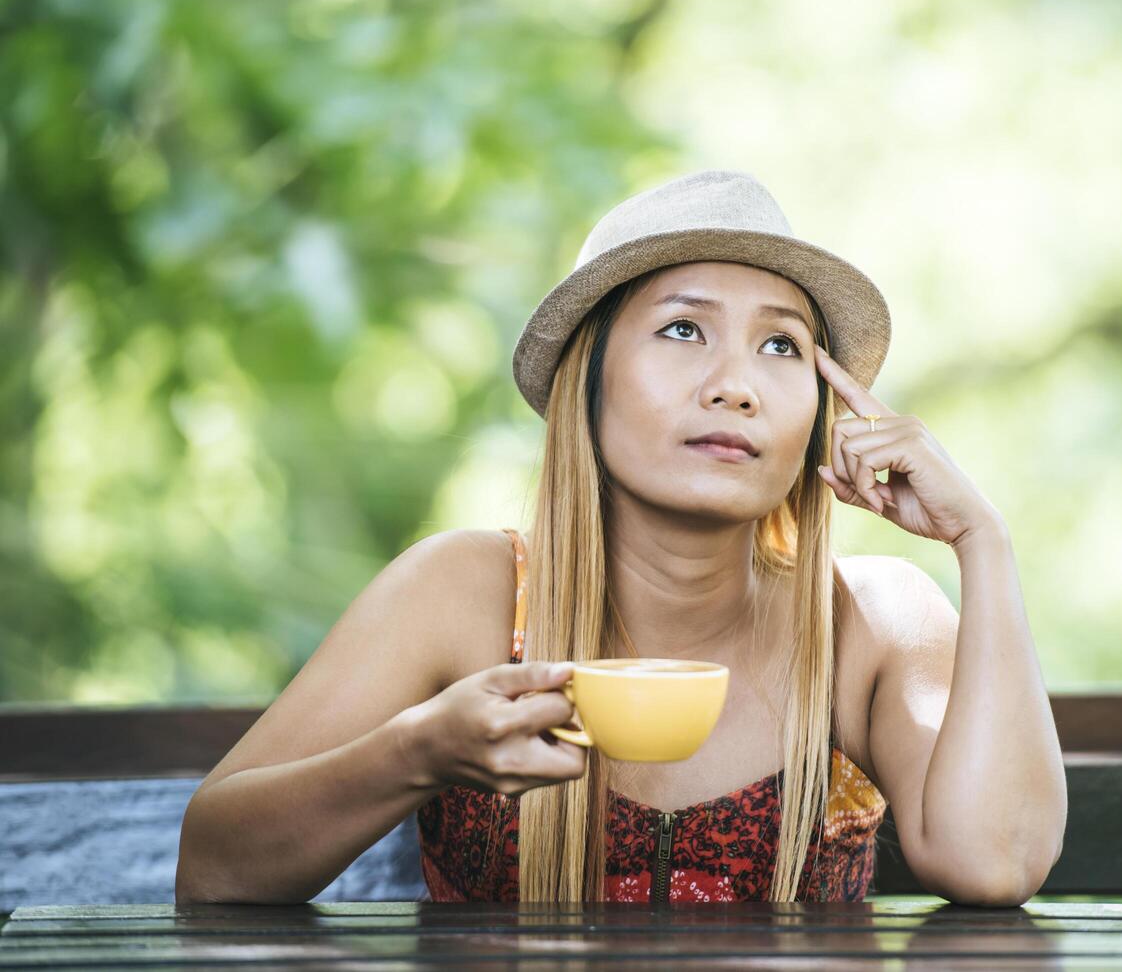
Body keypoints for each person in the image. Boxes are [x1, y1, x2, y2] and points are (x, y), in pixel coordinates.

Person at [175, 169, 1067, 906]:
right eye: (684, 329)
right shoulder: (462, 593)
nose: (736, 386)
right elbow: (212, 870)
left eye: (782, 347)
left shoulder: (871, 621)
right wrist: (415, 754)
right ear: (586, 380)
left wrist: (980, 541)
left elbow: (993, 864)